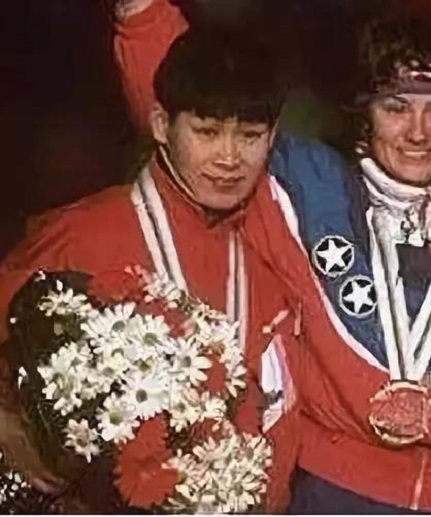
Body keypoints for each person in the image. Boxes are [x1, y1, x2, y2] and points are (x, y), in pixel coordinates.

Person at [113, 0, 431, 512]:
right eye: (395, 108)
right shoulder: (306, 188)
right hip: (335, 493)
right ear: (364, 109)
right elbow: (194, 95)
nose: (417, 133)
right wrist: (142, 13)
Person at [0, 21, 312, 513]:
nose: (229, 157)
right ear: (163, 125)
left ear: (272, 136)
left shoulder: (273, 252)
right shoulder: (85, 234)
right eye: (207, 132)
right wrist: (5, 424)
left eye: (250, 135)